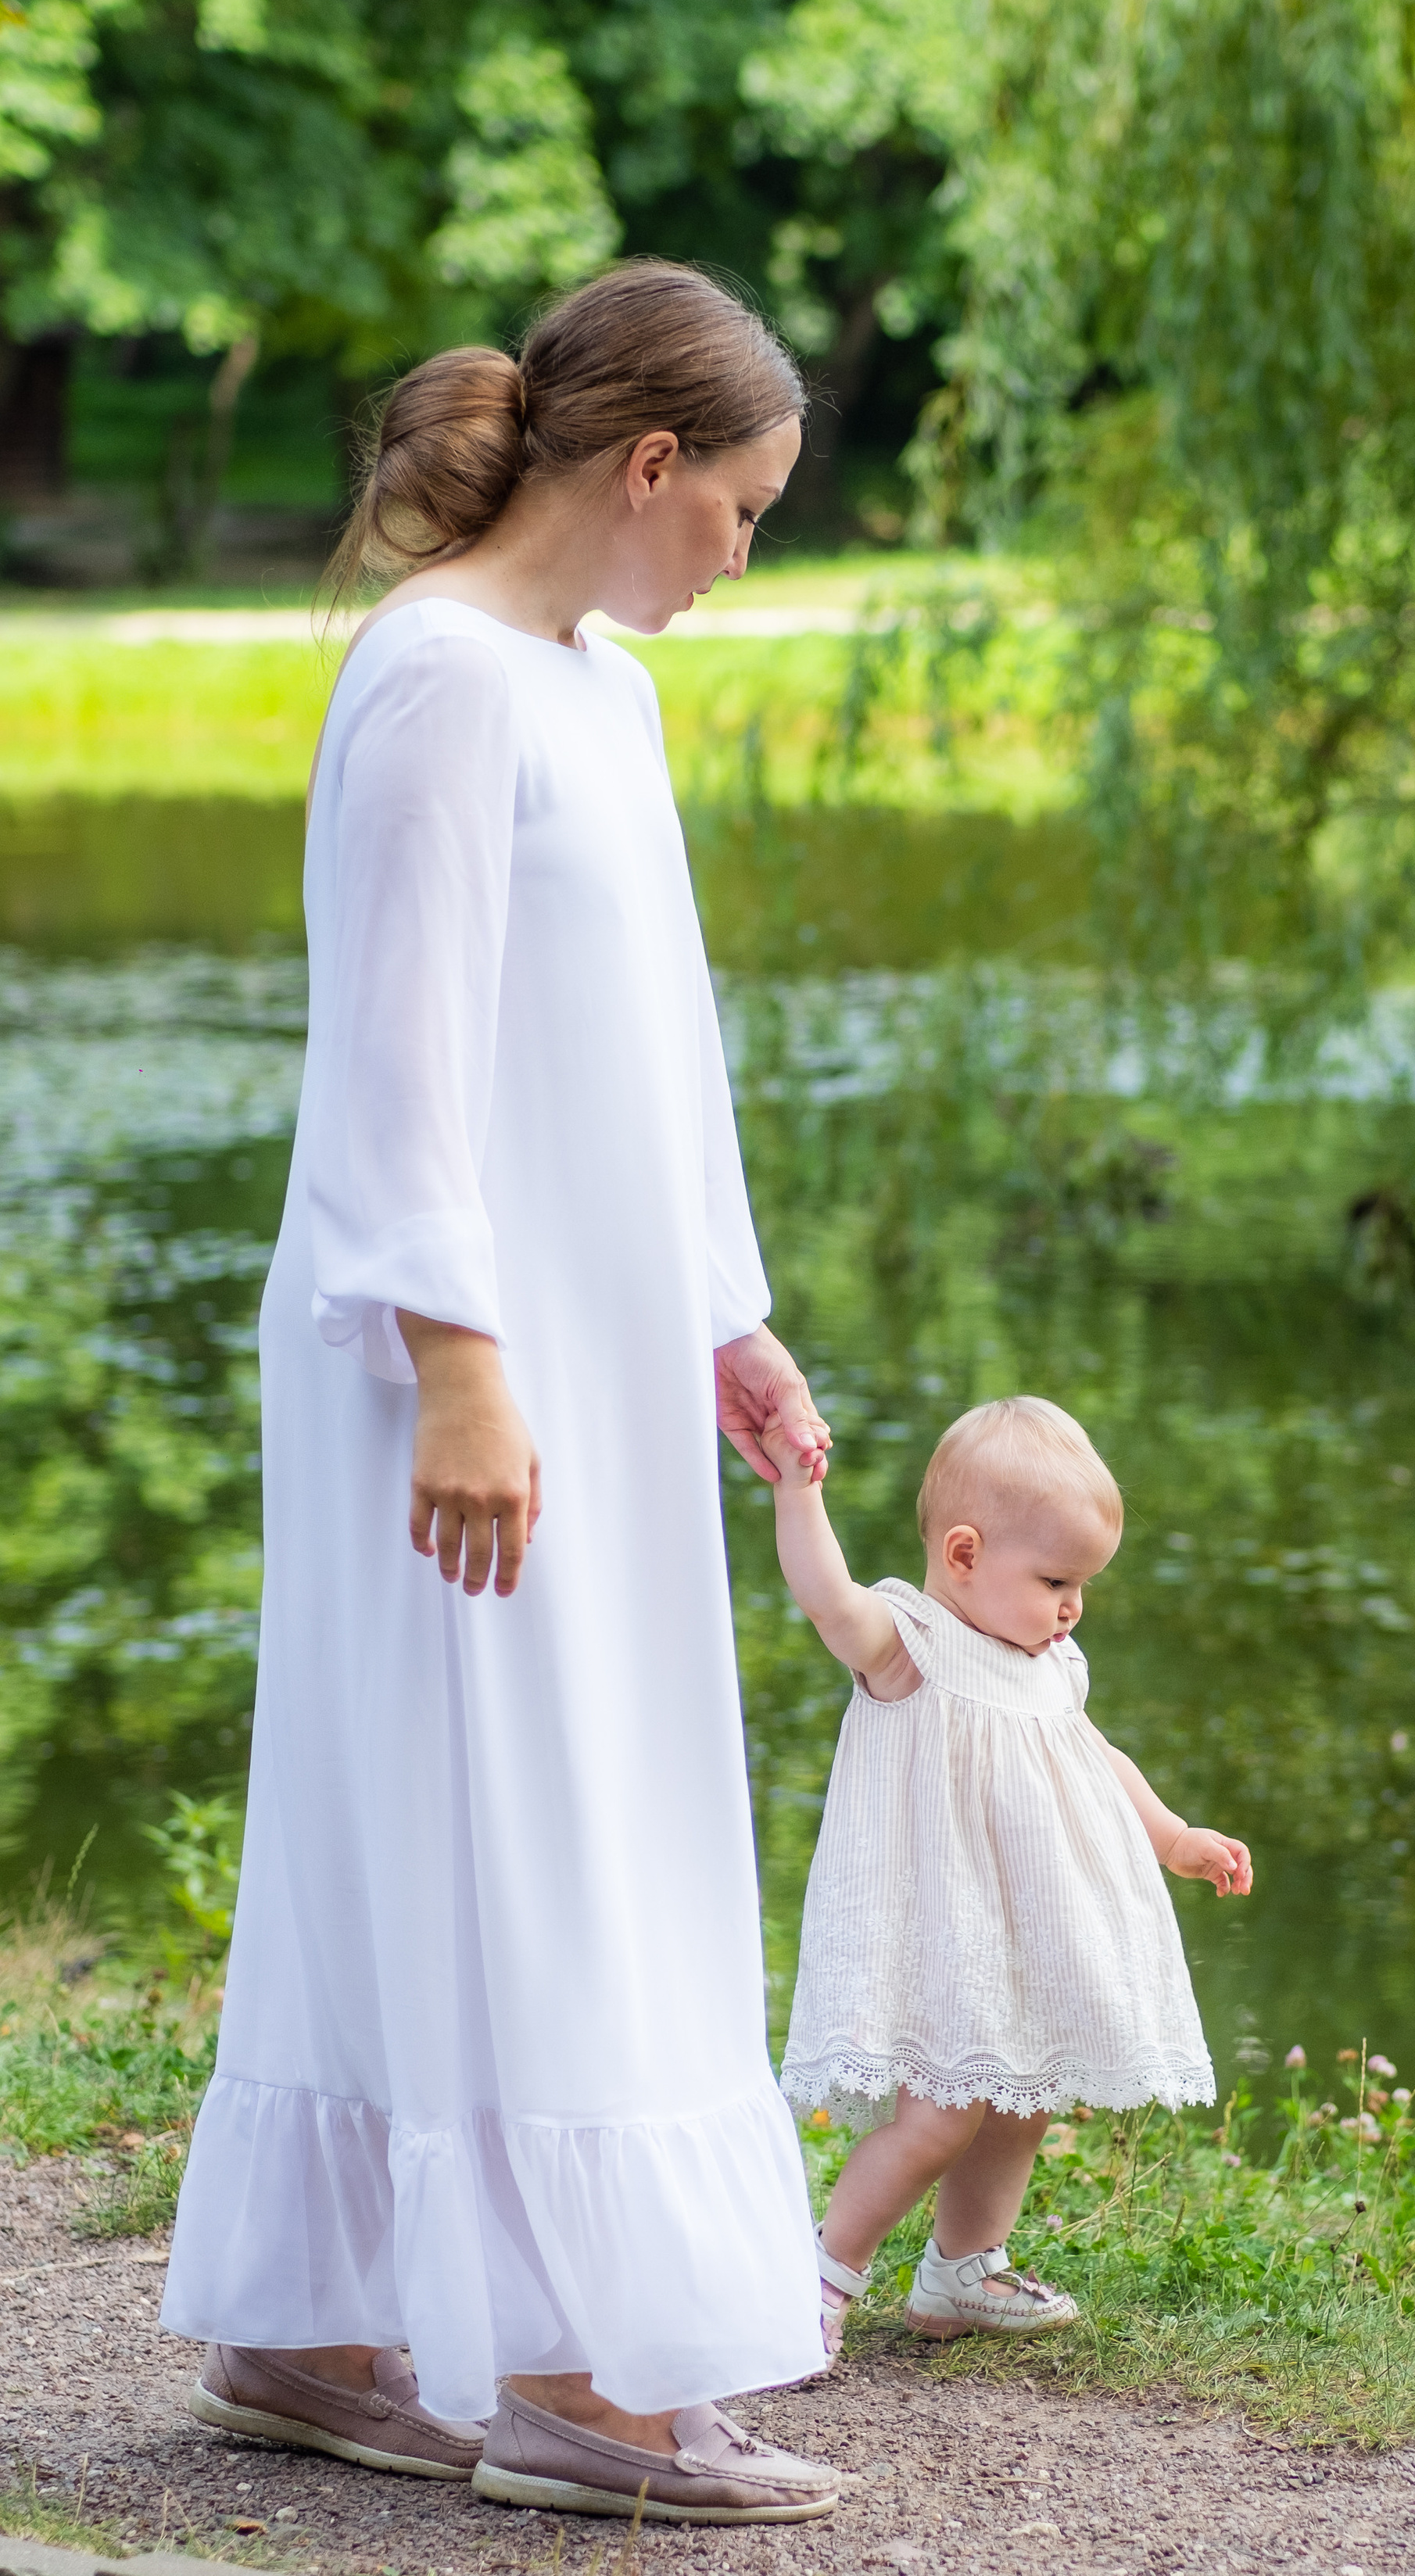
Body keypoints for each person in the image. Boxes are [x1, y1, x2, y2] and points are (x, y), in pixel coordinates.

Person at [161, 263, 843, 2530]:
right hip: (459, 1347)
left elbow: (653, 1040)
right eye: (743, 503)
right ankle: (575, 2375)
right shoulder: (441, 678)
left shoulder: (597, 691)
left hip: (602, 1328)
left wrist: (720, 1315)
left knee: (528, 1786)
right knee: (517, 1800)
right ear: (648, 467)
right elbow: (396, 1049)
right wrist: (460, 1363)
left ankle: (313, 2322)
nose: (752, 547)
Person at [765, 1394, 1252, 2361]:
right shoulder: (913, 1648)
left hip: (1023, 1931)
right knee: (939, 2115)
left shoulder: (1051, 1661)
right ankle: (813, 2277)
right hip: (942, 1930)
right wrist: (796, 1490)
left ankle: (962, 2270)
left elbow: (1093, 1759)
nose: (1074, 1606)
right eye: (1057, 1578)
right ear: (963, 1556)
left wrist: (1169, 1835)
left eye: (1084, 1583)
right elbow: (828, 1598)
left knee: (1024, 2095)